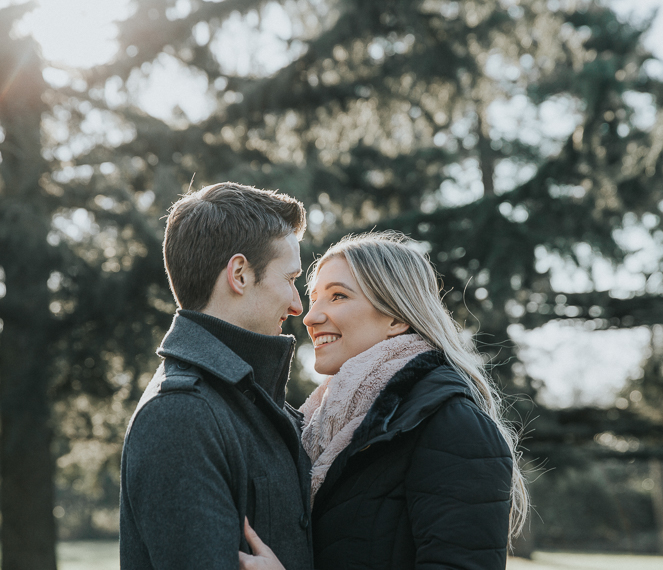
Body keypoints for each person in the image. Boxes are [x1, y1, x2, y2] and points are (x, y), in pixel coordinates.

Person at [239, 231, 528, 570]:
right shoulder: (321, 425)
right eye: (314, 298)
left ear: (396, 318)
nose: (310, 316)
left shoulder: (452, 426)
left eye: (338, 297)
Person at [120, 182, 314, 570]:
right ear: (239, 274)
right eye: (290, 279)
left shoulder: (248, 403)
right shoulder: (181, 416)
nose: (297, 305)